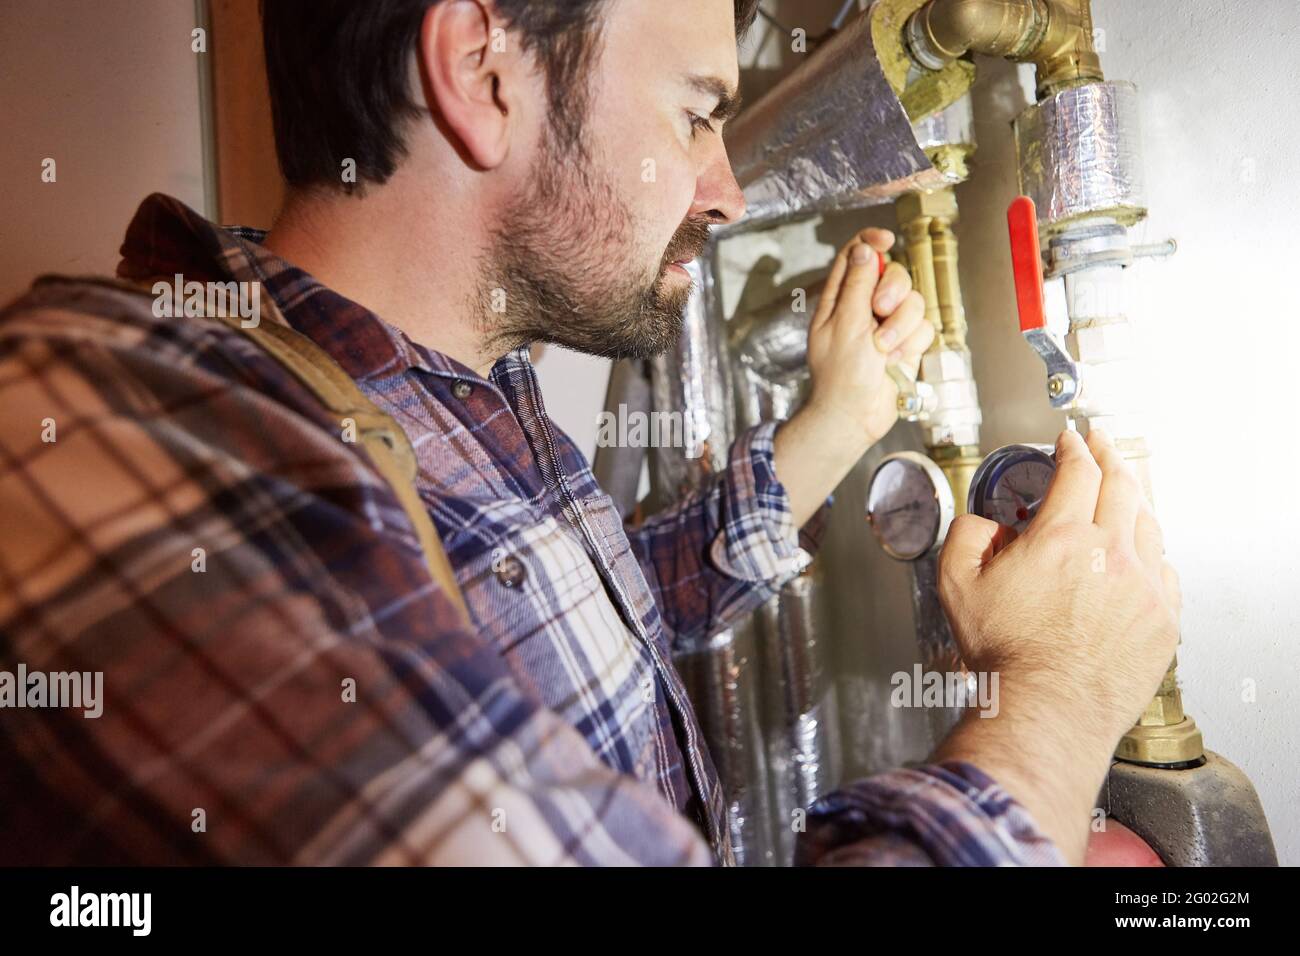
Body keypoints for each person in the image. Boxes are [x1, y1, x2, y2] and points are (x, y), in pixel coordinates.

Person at [0, 0, 1179, 866]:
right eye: (695, 112)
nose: (722, 188)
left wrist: (836, 421)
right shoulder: (101, 412)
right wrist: (1048, 711)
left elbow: (573, 635)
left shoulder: (464, 392)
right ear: (482, 73)